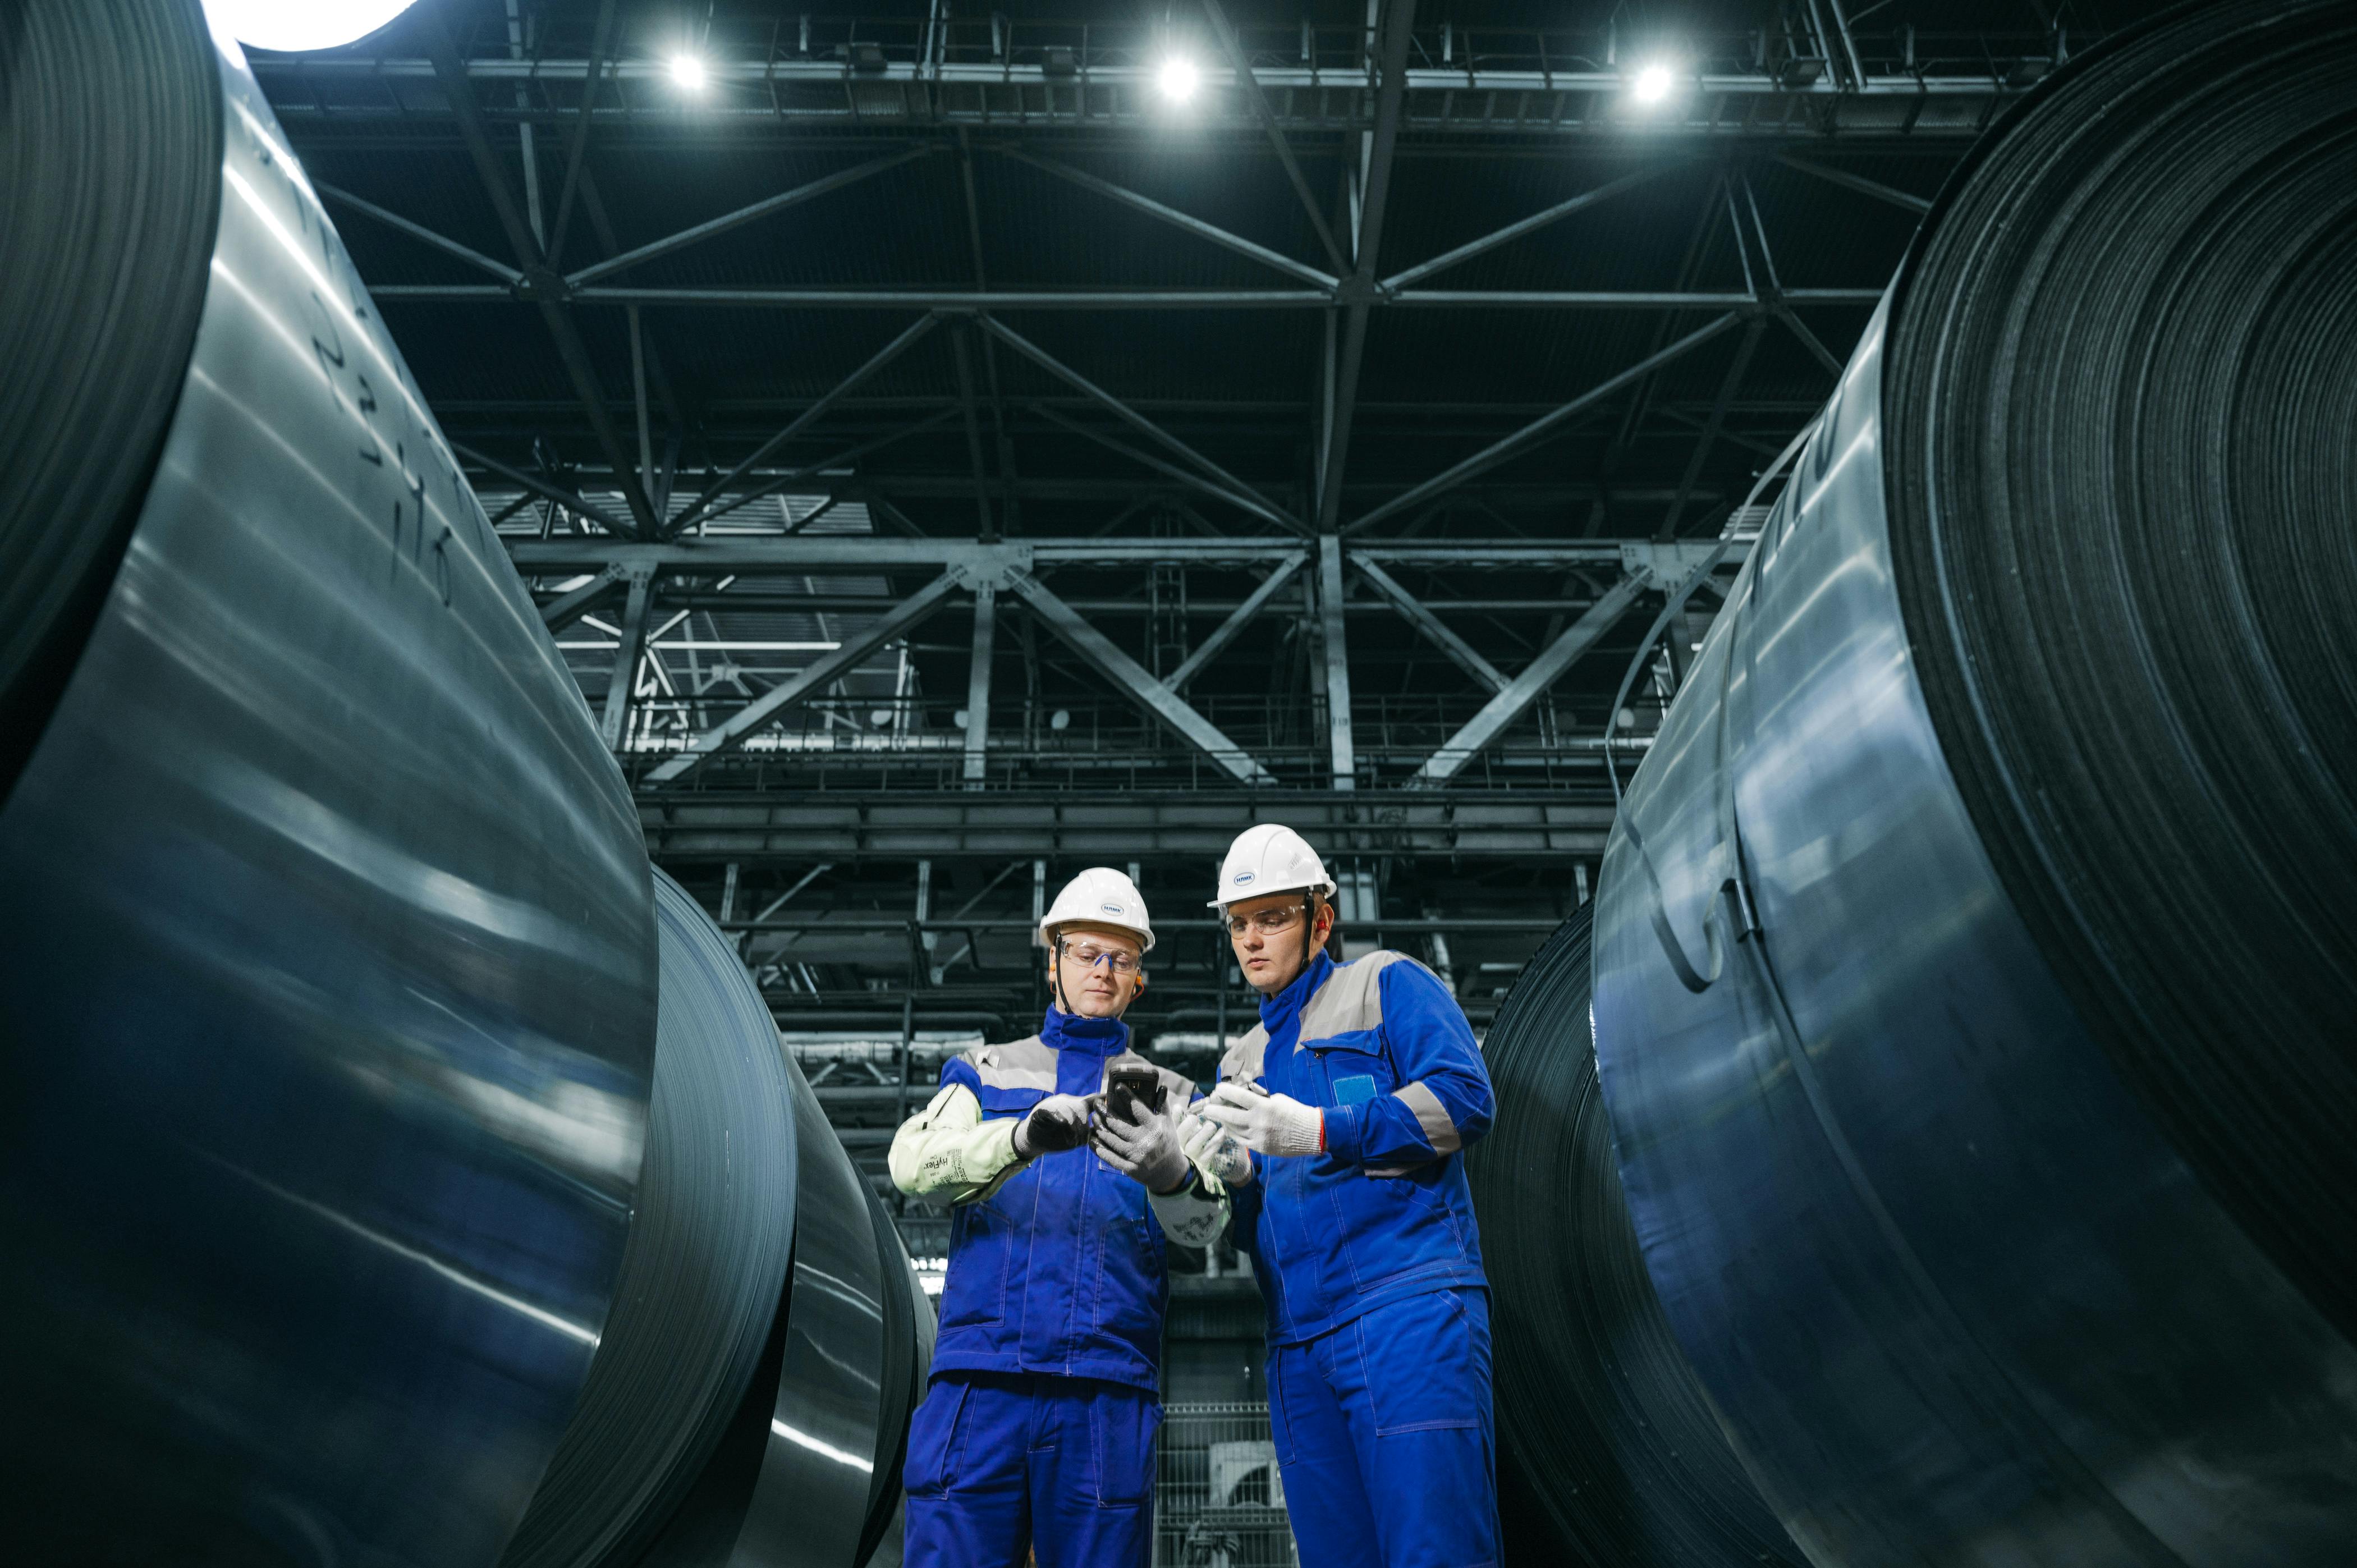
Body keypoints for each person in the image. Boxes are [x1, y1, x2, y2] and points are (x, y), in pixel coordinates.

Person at [889, 867, 1230, 1568]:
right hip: (982, 1385)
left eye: (1122, 957)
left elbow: (1209, 1224)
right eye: (1085, 952)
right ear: (1054, 961)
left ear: (1139, 976)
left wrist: (1170, 1172)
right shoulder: (986, 1073)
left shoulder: (1175, 1099)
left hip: (1105, 1391)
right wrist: (1019, 1137)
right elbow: (911, 1165)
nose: (1102, 971)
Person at [1186, 824, 1500, 1568]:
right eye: (1239, 922)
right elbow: (1253, 1223)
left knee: (1437, 1550)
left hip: (1406, 1309)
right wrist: (1230, 1179)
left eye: (1273, 917)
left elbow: (1466, 1098)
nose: (1252, 938)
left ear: (1320, 919)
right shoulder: (1242, 1060)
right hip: (1297, 1343)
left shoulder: (1386, 983)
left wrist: (1325, 1128)